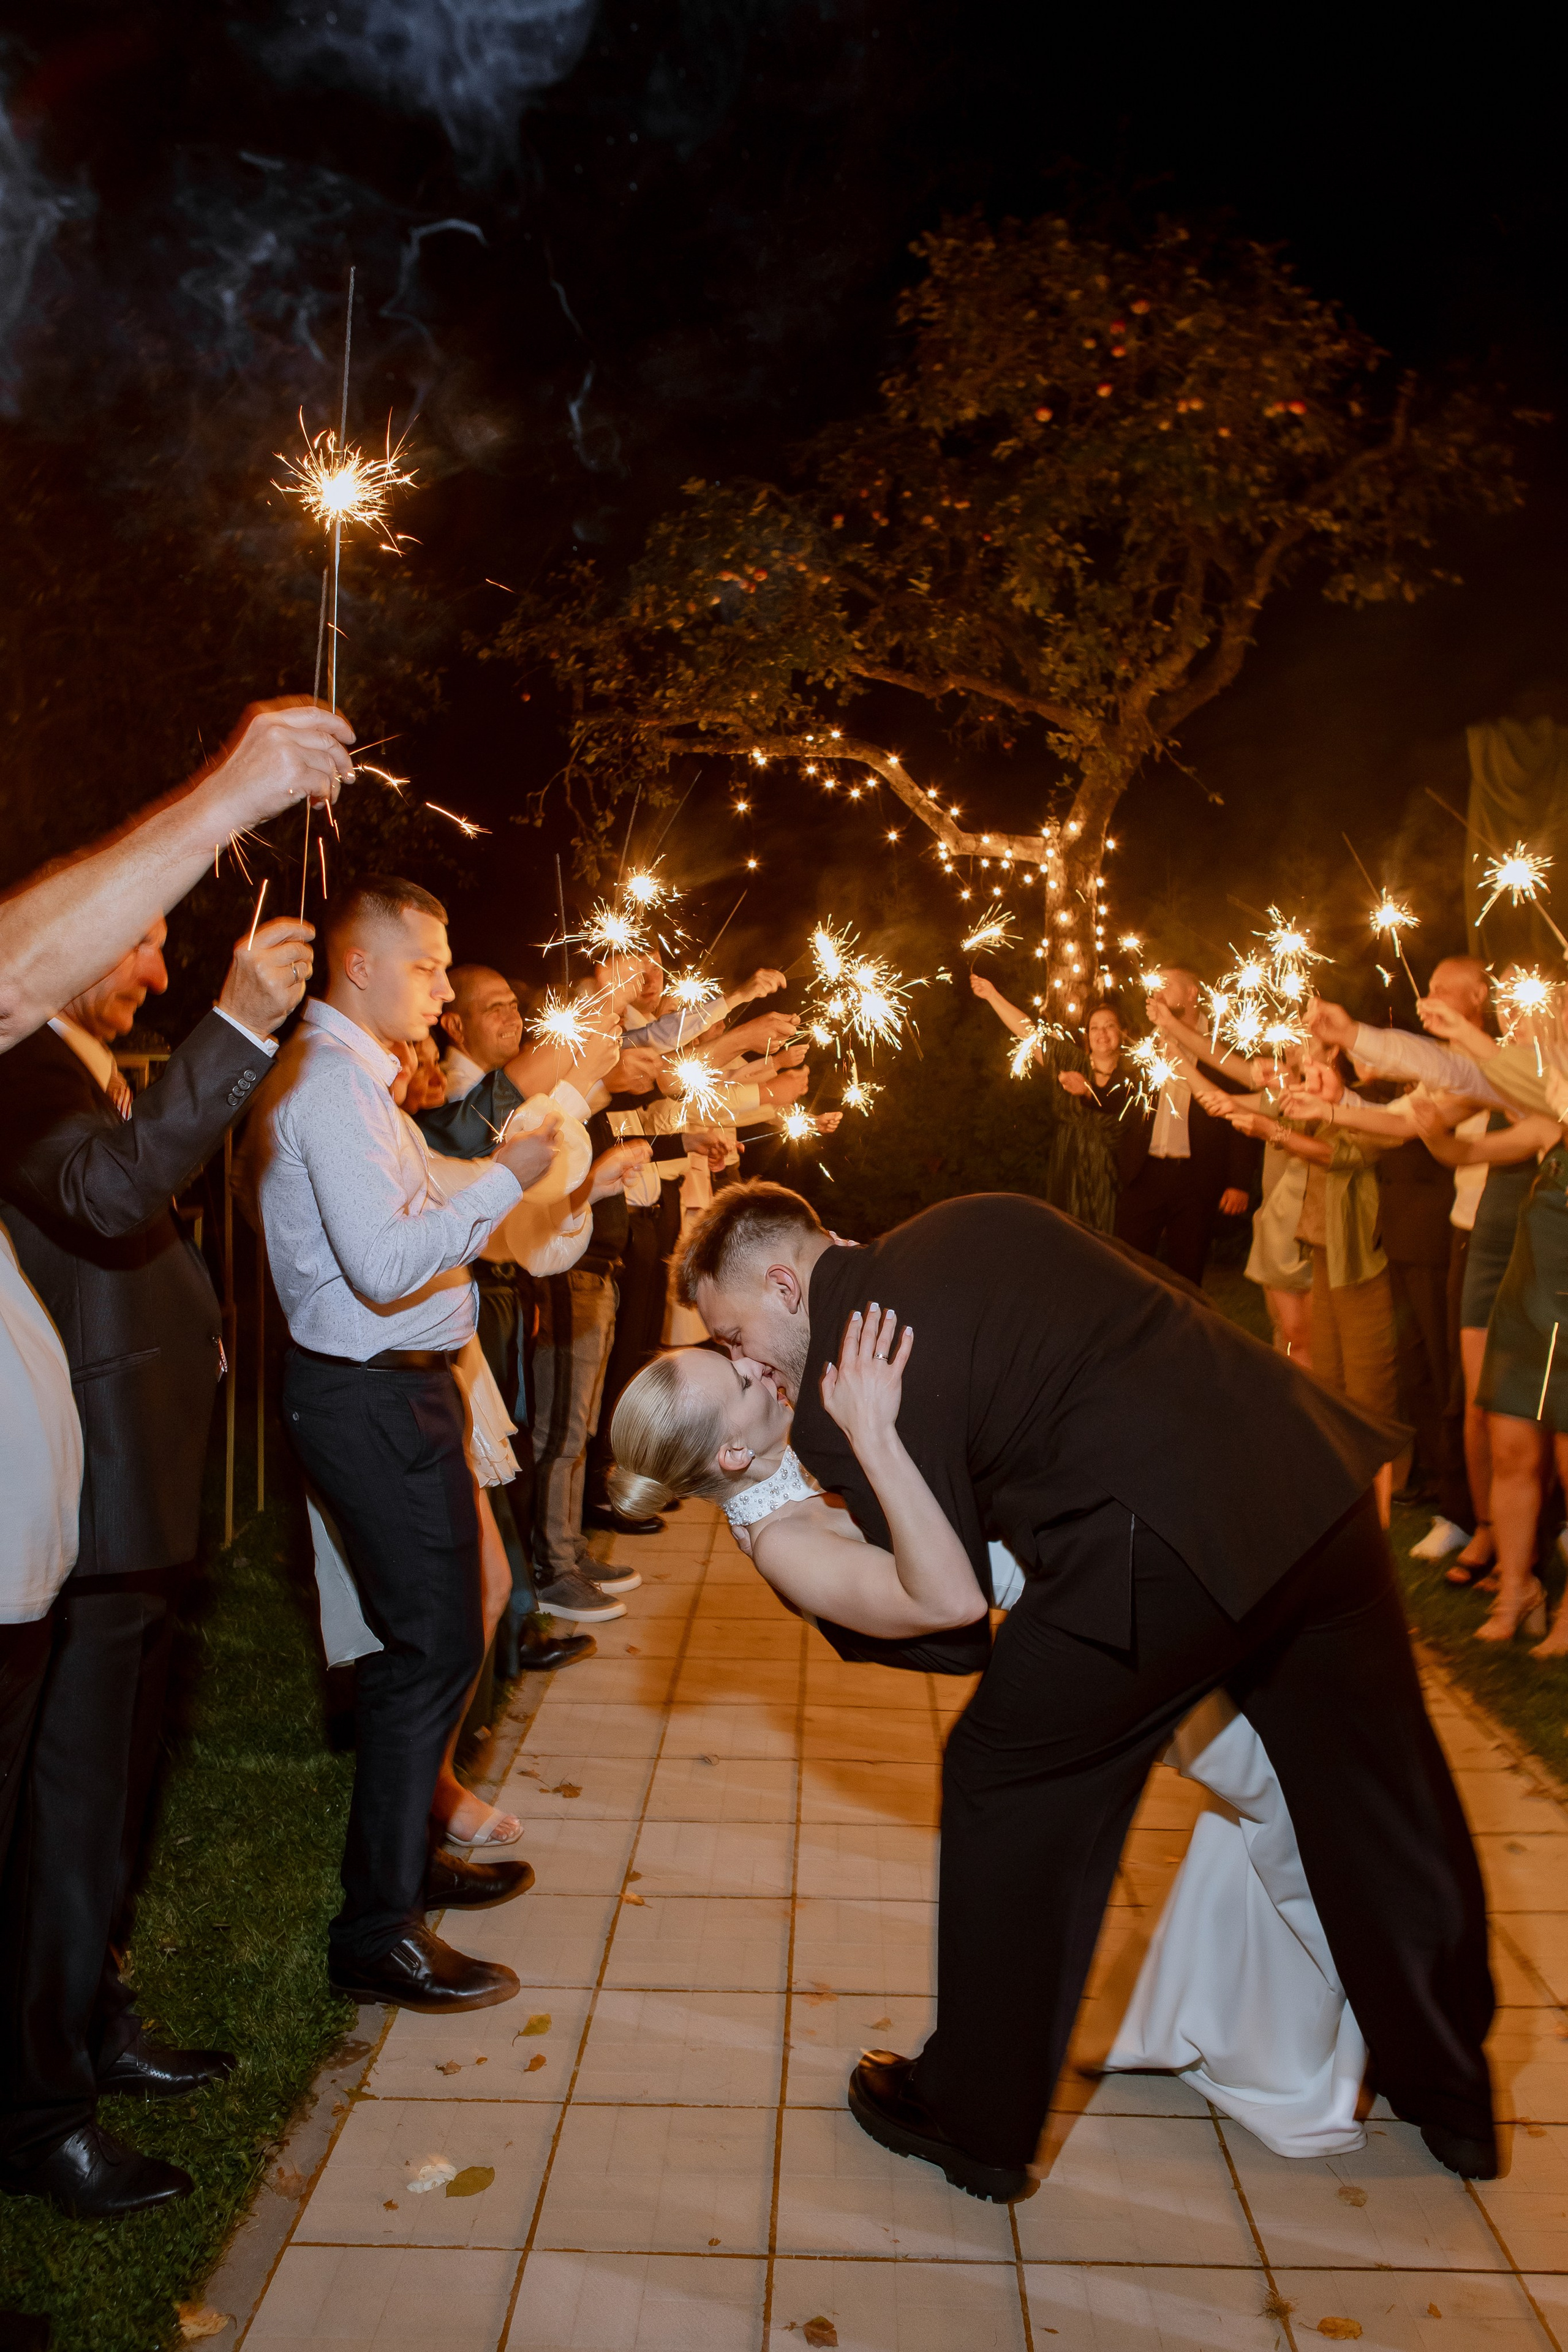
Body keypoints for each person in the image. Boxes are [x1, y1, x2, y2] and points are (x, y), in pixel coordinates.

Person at [649, 1180, 1491, 2204]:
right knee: (1382, 1790)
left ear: (786, 1283)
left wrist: (827, 1499)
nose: (747, 1359)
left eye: (734, 1331)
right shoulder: (973, 1215)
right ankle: (1449, 2091)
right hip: (1311, 1472)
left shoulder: (849, 1373)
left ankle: (973, 2118)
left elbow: (948, 1623)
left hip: (1166, 1551)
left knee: (1005, 1776)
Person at [0, 911, 318, 2222]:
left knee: (111, 1800)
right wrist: (237, 1023)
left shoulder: (80, 1065)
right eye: (134, 941)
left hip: (137, 1490)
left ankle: (89, 2016)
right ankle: (39, 2111)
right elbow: (110, 1193)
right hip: (83, 1495)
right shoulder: (21, 1065)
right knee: (63, 1816)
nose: (153, 968)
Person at [247, 875, 563, 2021]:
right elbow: (382, 1269)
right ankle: (376, 1929)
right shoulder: (332, 1087)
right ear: (362, 966)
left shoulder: (361, 1084)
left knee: (435, 1632)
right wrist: (500, 1183)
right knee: (425, 1645)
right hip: (368, 1396)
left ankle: (408, 1861)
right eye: (428, 964)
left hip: (398, 1392)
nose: (441, 984)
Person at [0, 699, 355, 1055]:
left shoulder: (77, 1073)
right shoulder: (32, 1079)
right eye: (137, 941)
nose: (161, 981)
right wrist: (227, 800)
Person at [1112, 966, 1255, 1284]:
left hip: (1196, 1175)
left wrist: (1239, 1181)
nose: (1158, 992)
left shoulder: (1224, 1046)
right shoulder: (1149, 1042)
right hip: (1146, 1171)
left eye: (1167, 985)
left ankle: (1184, 1331)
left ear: (1193, 993)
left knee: (1187, 1273)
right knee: (1126, 1267)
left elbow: (1243, 1110)